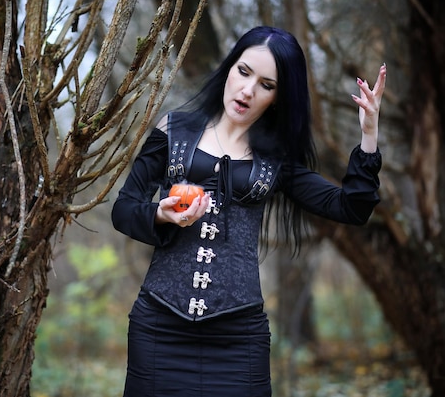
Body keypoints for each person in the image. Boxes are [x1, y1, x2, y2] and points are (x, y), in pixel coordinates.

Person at [111, 26, 386, 397]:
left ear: (277, 97)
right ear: (229, 68)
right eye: (243, 72)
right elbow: (124, 209)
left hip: (238, 339)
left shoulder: (277, 161)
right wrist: (161, 214)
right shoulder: (174, 130)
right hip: (160, 327)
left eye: (266, 85)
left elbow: (351, 208)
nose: (247, 91)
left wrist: (369, 136)